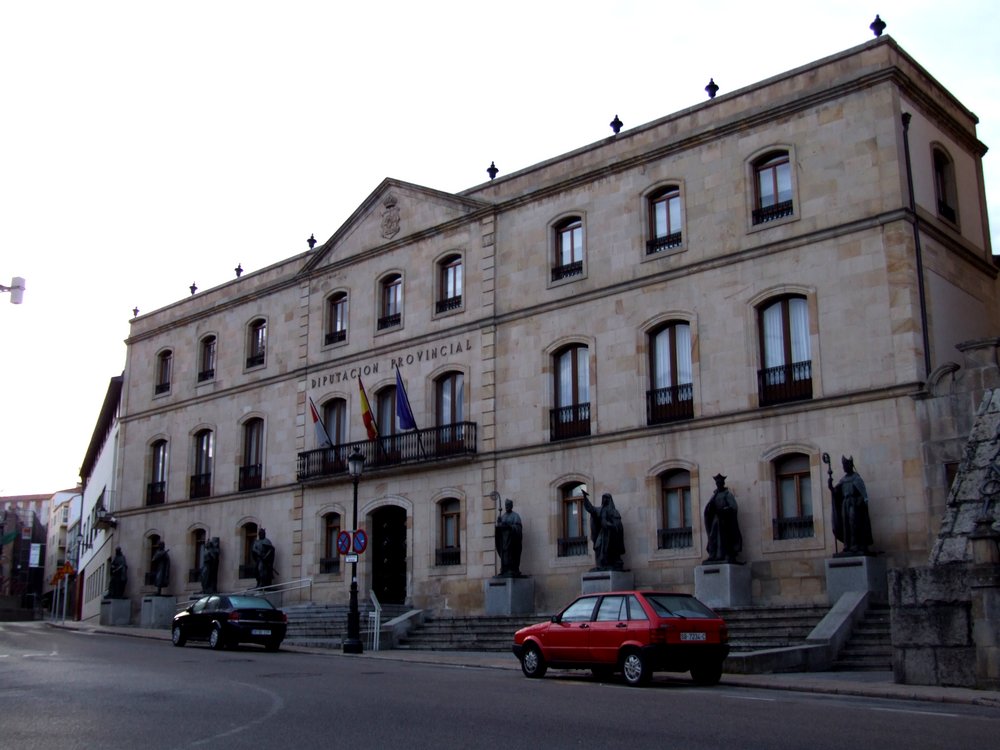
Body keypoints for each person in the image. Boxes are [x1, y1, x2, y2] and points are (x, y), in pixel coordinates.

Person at [829, 456, 874, 556]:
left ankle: (856, 545)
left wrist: (860, 502)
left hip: (854, 503)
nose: (844, 467)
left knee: (853, 523)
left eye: (845, 465)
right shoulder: (843, 480)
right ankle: (847, 546)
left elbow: (864, 495)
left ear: (850, 465)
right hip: (845, 503)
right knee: (845, 524)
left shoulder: (856, 478)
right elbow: (836, 492)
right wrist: (830, 486)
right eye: (843, 465)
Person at [581, 490, 626, 571]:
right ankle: (601, 565)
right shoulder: (600, 510)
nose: (605, 500)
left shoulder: (614, 512)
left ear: (610, 500)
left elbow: (618, 525)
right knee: (598, 546)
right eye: (604, 498)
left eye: (607, 498)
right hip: (602, 533)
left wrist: (610, 525)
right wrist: (585, 498)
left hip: (611, 535)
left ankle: (610, 564)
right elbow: (591, 509)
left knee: (609, 550)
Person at [704, 474, 743, 563]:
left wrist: (724, 510)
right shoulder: (714, 495)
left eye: (720, 482)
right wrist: (709, 509)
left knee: (722, 537)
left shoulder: (727, 494)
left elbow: (733, 507)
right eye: (717, 483)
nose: (718, 484)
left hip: (724, 521)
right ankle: (712, 555)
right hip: (715, 519)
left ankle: (722, 555)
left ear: (723, 483)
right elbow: (709, 507)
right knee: (712, 536)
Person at [494, 498, 524, 577]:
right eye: (506, 505)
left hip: (512, 542)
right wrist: (499, 523)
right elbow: (499, 529)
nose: (507, 506)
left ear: (511, 506)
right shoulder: (503, 516)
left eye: (508, 505)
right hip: (504, 541)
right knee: (504, 555)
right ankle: (504, 569)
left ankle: (513, 569)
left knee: (512, 555)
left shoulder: (515, 516)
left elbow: (518, 527)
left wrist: (510, 527)